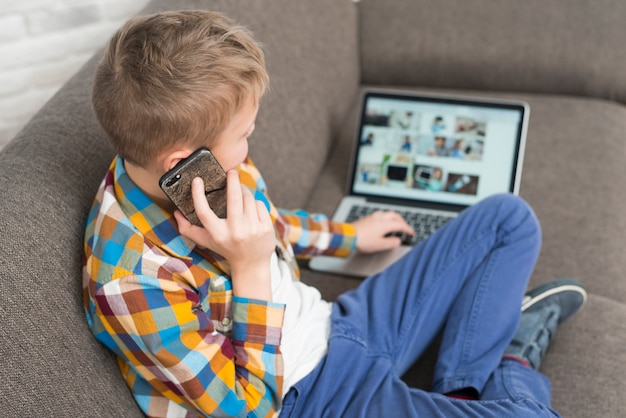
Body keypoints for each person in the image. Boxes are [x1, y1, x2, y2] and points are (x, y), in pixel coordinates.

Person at [83, 10, 587, 418]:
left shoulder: (199, 172)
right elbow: (251, 408)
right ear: (181, 161)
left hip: (336, 325)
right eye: (245, 135)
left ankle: (459, 393)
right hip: (310, 395)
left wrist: (349, 238)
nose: (249, 145)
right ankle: (514, 356)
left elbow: (267, 221)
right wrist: (252, 267)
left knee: (507, 220)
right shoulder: (130, 282)